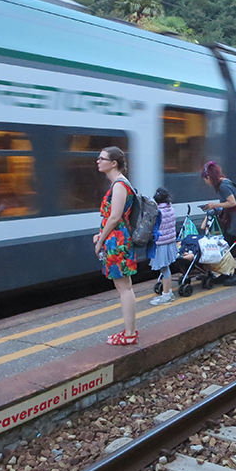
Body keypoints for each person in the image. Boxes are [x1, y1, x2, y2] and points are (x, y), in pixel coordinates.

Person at [94, 146, 139, 346]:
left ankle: (130, 333)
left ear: (113, 163)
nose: (98, 161)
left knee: (124, 289)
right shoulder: (119, 183)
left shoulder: (119, 185)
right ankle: (129, 331)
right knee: (124, 287)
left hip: (117, 242)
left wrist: (101, 239)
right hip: (117, 239)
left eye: (102, 158)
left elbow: (115, 217)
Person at [200, 161, 236, 286]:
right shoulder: (223, 182)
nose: (205, 182)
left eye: (205, 179)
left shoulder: (223, 186)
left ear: (209, 177)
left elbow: (232, 202)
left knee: (235, 244)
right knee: (228, 243)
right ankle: (227, 273)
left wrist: (214, 205)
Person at [149, 188, 178, 306]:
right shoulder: (170, 209)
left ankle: (166, 295)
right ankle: (168, 292)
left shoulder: (157, 212)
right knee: (165, 268)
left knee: (165, 269)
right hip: (170, 242)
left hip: (161, 244)